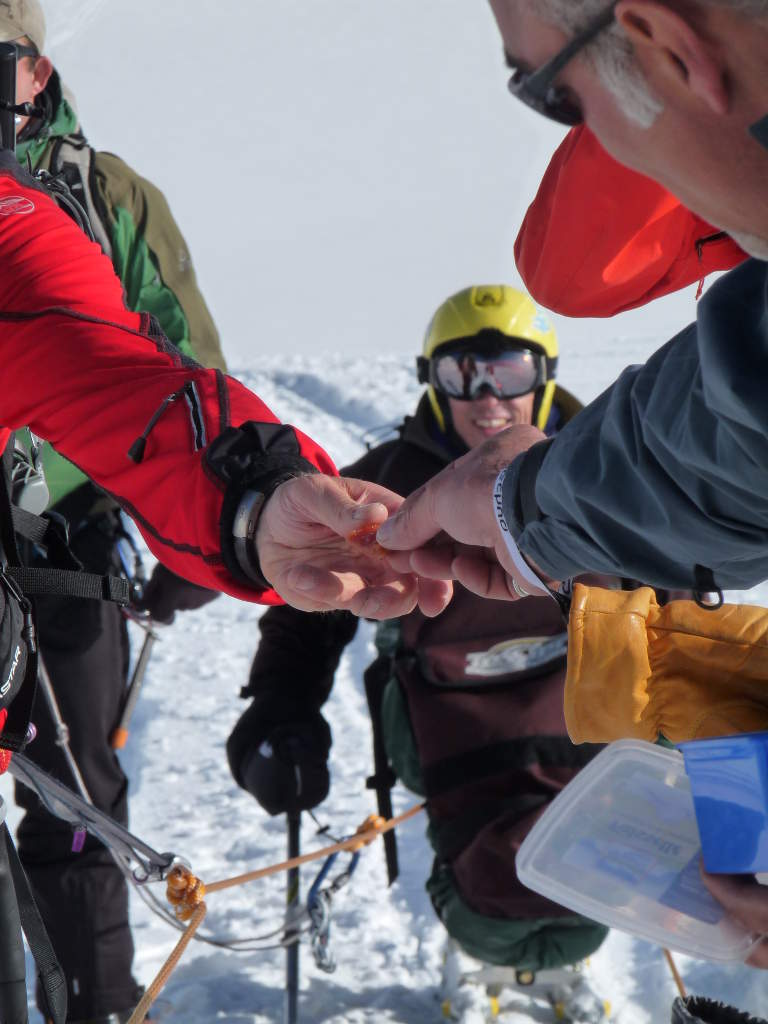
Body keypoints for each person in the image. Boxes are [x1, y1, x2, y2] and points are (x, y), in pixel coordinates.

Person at [372, 0, 768, 1006]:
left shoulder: (588, 438)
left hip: (573, 737)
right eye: (466, 375)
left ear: (673, 51)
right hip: (469, 747)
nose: (489, 397)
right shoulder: (407, 464)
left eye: (554, 96)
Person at [227, 286, 615, 1024]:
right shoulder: (391, 477)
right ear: (430, 380)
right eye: (461, 375)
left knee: (585, 866)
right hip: (446, 699)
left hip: (577, 687)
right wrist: (282, 702)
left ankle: (565, 950)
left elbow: (665, 571)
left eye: (507, 373)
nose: (486, 399)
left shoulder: (598, 461)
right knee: (493, 877)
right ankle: (476, 944)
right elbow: (312, 610)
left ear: (547, 374)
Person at [0, 3, 230, 1018]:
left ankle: (91, 1005)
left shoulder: (110, 198)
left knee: (80, 805)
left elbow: (185, 366)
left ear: (35, 76)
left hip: (61, 540)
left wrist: (203, 520)